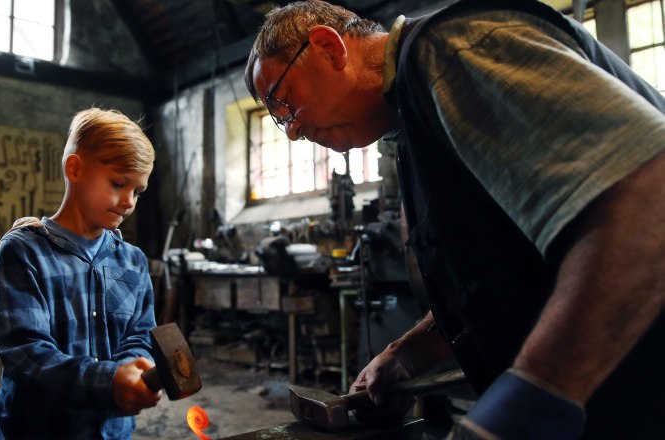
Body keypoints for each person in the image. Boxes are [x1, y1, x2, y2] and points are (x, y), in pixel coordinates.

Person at [245, 0, 665, 438]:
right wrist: (410, 353)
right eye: (278, 121)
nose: (291, 131)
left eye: (285, 103)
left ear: (329, 48)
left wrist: (536, 395)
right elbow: (507, 276)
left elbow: (649, 197)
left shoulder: (452, 53)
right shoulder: (413, 122)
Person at [0, 108, 161, 439]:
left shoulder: (134, 262)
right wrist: (107, 381)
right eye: (118, 183)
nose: (129, 202)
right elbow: (25, 353)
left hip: (113, 431)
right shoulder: (23, 252)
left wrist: (133, 370)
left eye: (138, 191)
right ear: (75, 168)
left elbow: (141, 335)